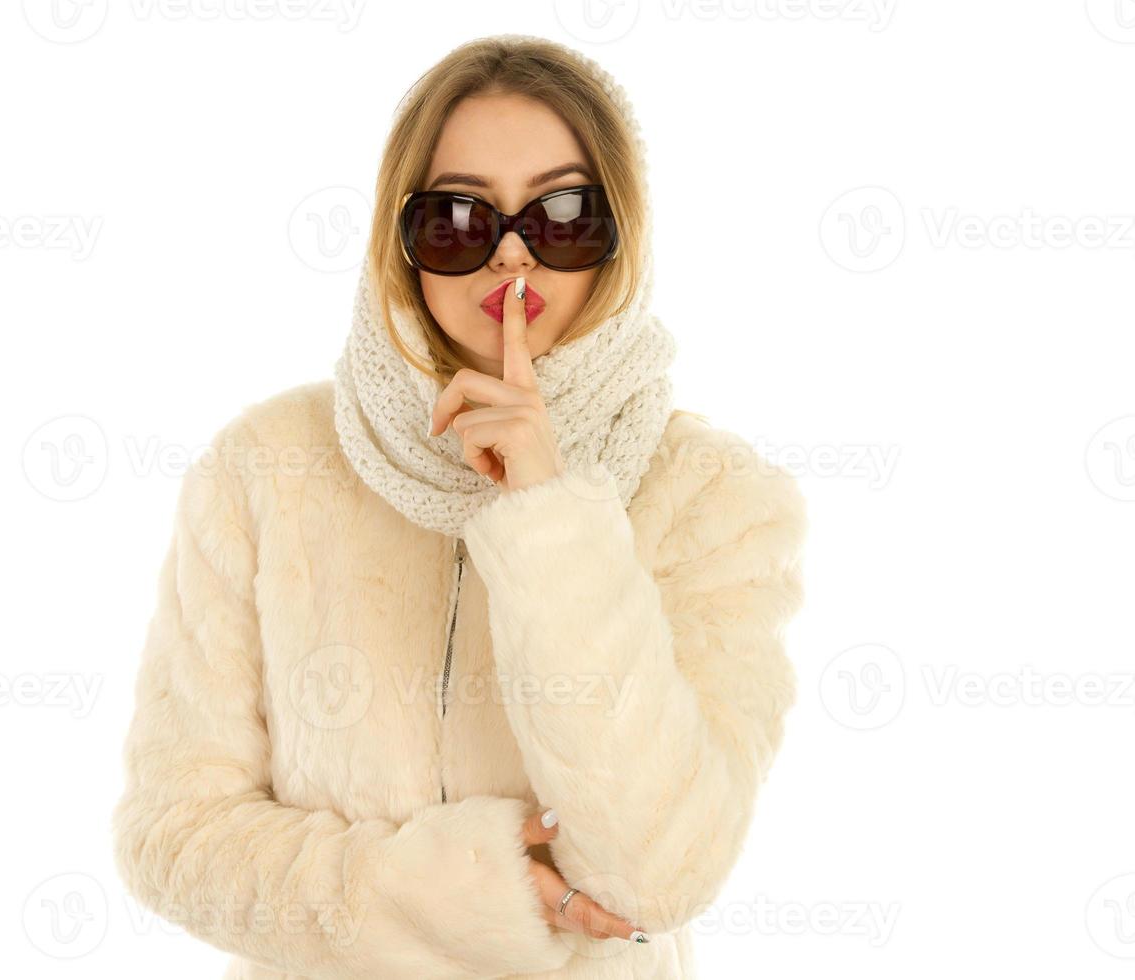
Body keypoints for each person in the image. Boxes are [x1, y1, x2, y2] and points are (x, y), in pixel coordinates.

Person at [112, 33, 808, 980]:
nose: (512, 254)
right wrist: (448, 895)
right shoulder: (266, 470)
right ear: (400, 240)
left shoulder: (717, 497)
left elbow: (658, 871)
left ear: (621, 235)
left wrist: (549, 509)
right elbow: (172, 835)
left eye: (562, 216)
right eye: (457, 218)